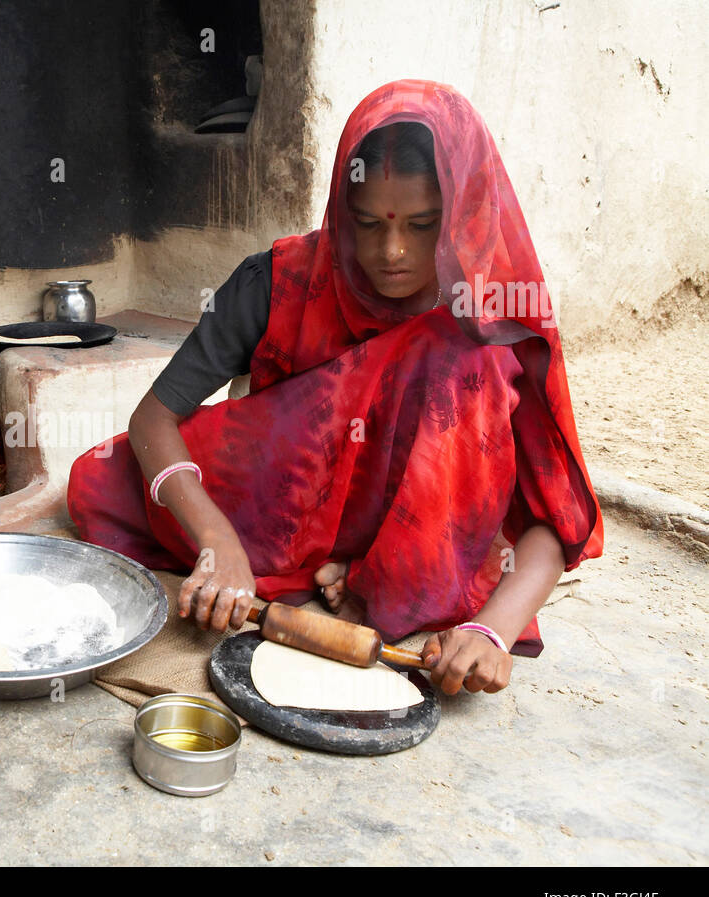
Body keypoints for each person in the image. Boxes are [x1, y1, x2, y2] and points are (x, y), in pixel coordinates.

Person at [66, 79, 603, 696]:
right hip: (276, 513)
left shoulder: (489, 321)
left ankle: (390, 579)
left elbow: (555, 518)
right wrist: (218, 542)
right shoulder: (282, 281)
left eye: (423, 225)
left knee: (464, 359)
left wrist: (492, 630)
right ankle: (347, 573)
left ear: (463, 215)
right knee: (106, 481)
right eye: (368, 223)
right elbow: (152, 421)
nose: (392, 251)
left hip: (420, 537)